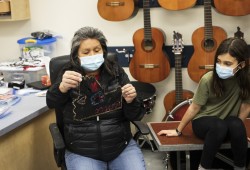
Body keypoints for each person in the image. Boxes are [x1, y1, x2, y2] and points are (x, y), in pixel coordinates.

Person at [46, 26, 146, 170]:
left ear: (103, 51)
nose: (92, 55)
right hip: (82, 150)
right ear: (76, 55)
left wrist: (131, 100)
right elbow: (51, 102)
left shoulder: (116, 72)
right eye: (86, 52)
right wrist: (61, 88)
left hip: (120, 146)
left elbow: (136, 114)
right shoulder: (68, 74)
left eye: (97, 50)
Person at [158, 37, 250, 170]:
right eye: (218, 61)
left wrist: (237, 132)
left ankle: (240, 168)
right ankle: (203, 167)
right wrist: (178, 130)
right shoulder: (208, 79)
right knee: (219, 126)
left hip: (226, 123)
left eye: (227, 63)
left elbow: (246, 106)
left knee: (236, 124)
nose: (221, 67)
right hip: (204, 122)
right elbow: (194, 107)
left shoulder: (247, 79)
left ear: (241, 65)